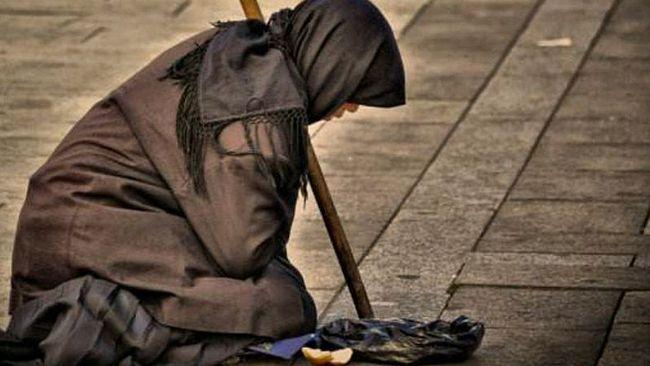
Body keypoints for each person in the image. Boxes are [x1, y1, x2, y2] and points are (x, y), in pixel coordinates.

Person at [2, 0, 405, 364]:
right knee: (282, 306)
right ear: (331, 65)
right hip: (86, 239)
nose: (350, 107)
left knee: (281, 291)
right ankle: (90, 320)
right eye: (355, 90)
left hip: (79, 226)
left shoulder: (247, 49)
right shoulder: (258, 111)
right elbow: (242, 251)